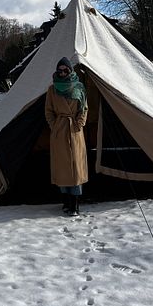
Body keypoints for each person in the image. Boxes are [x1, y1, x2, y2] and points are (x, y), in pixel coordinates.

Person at [45, 57, 88, 216]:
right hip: (59, 132)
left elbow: (84, 108)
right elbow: (48, 111)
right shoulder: (52, 89)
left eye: (65, 70)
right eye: (60, 70)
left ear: (70, 70)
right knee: (62, 169)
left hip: (74, 132)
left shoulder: (79, 87)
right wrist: (54, 125)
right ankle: (66, 202)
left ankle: (75, 205)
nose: (62, 73)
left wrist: (78, 124)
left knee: (75, 169)